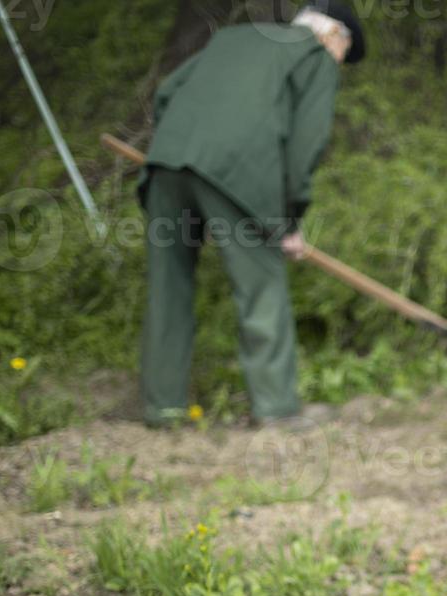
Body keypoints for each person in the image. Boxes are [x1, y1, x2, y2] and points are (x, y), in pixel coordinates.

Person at [137, 1, 366, 428]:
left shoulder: (233, 38)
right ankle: (276, 408)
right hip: (237, 175)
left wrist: (180, 147)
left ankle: (162, 408)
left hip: (167, 163)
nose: (340, 65)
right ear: (335, 36)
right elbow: (305, 145)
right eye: (344, 54)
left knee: (168, 287)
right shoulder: (315, 57)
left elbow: (168, 93)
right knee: (262, 288)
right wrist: (289, 220)